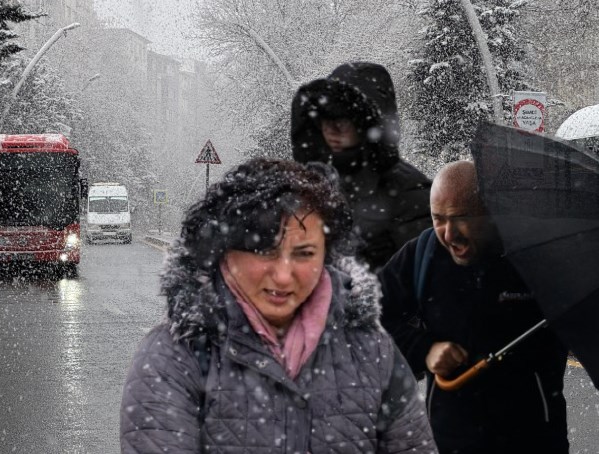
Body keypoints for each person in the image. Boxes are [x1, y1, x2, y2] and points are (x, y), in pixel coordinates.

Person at [120, 158, 436, 453]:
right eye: (264, 251)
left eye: (304, 253)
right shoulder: (172, 357)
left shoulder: (373, 351)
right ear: (222, 252)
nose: (284, 276)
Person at [379, 161, 569, 454]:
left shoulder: (538, 257)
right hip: (449, 439)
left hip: (534, 438)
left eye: (460, 218)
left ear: (491, 212)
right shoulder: (423, 254)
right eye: (438, 219)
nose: (448, 234)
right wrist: (424, 348)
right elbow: (368, 312)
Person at [291, 61, 431, 272]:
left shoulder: (410, 192)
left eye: (345, 119)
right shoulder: (313, 189)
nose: (331, 130)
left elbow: (420, 278)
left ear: (369, 123)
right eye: (327, 118)